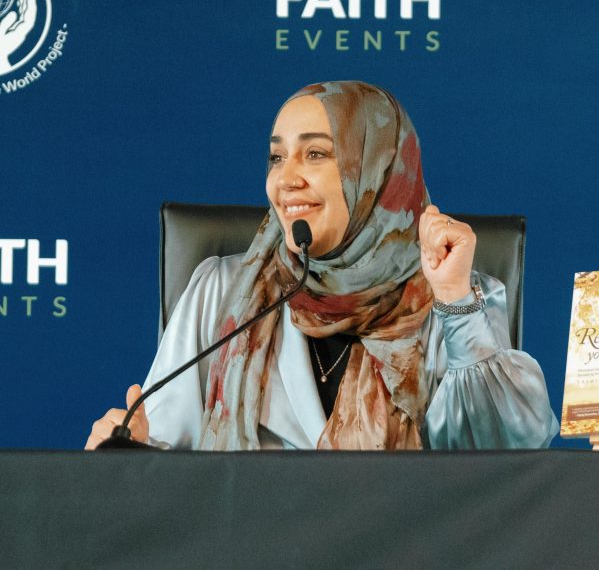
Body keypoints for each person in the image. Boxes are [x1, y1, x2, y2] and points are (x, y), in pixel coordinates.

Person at [85, 81, 559, 450]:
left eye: (315, 153)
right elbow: (165, 461)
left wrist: (455, 301)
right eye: (276, 157)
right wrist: (132, 450)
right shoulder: (223, 291)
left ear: (376, 170)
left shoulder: (453, 296)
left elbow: (508, 454)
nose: (285, 178)